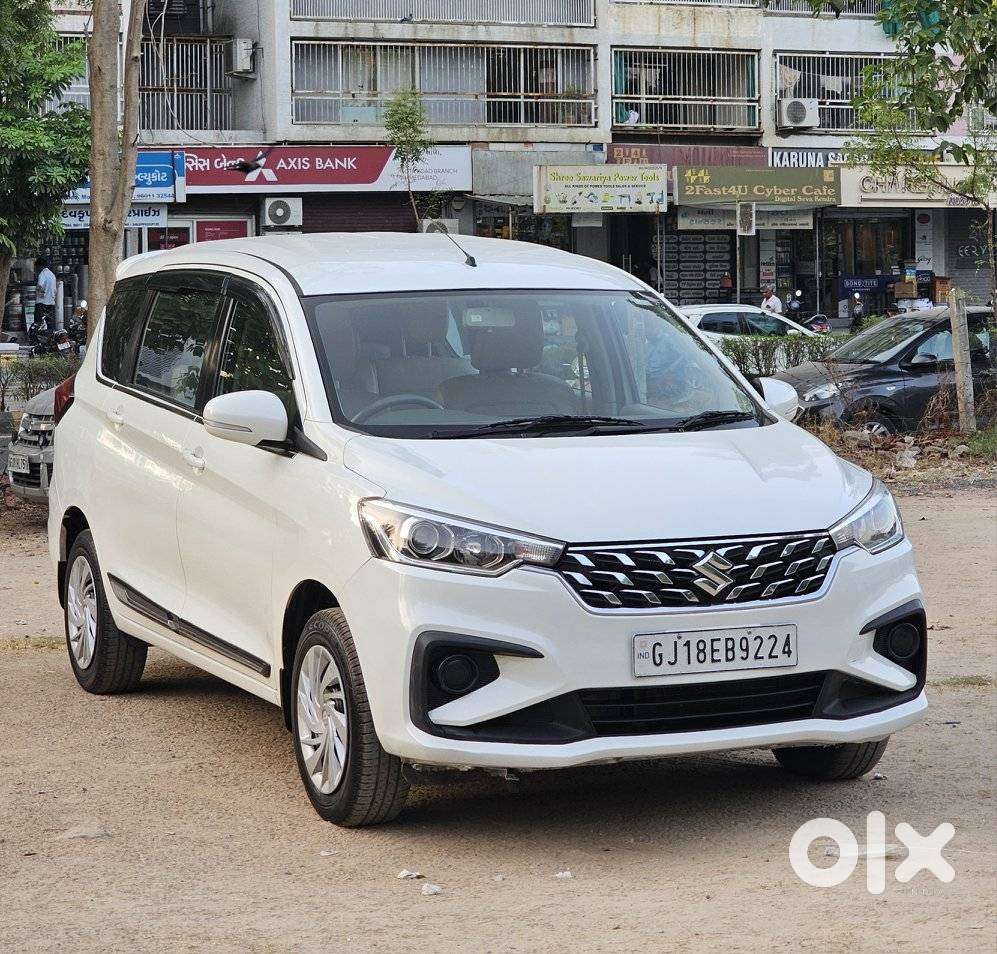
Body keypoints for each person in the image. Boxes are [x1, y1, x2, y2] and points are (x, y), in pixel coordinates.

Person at [34, 257, 56, 329]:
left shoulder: (42, 274)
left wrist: (37, 294)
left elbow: (39, 286)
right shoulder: (52, 275)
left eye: (36, 267)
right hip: (51, 304)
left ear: (40, 266)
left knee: (38, 323)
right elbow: (55, 290)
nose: (36, 269)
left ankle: (37, 339)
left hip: (42, 304)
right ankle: (50, 338)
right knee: (50, 324)